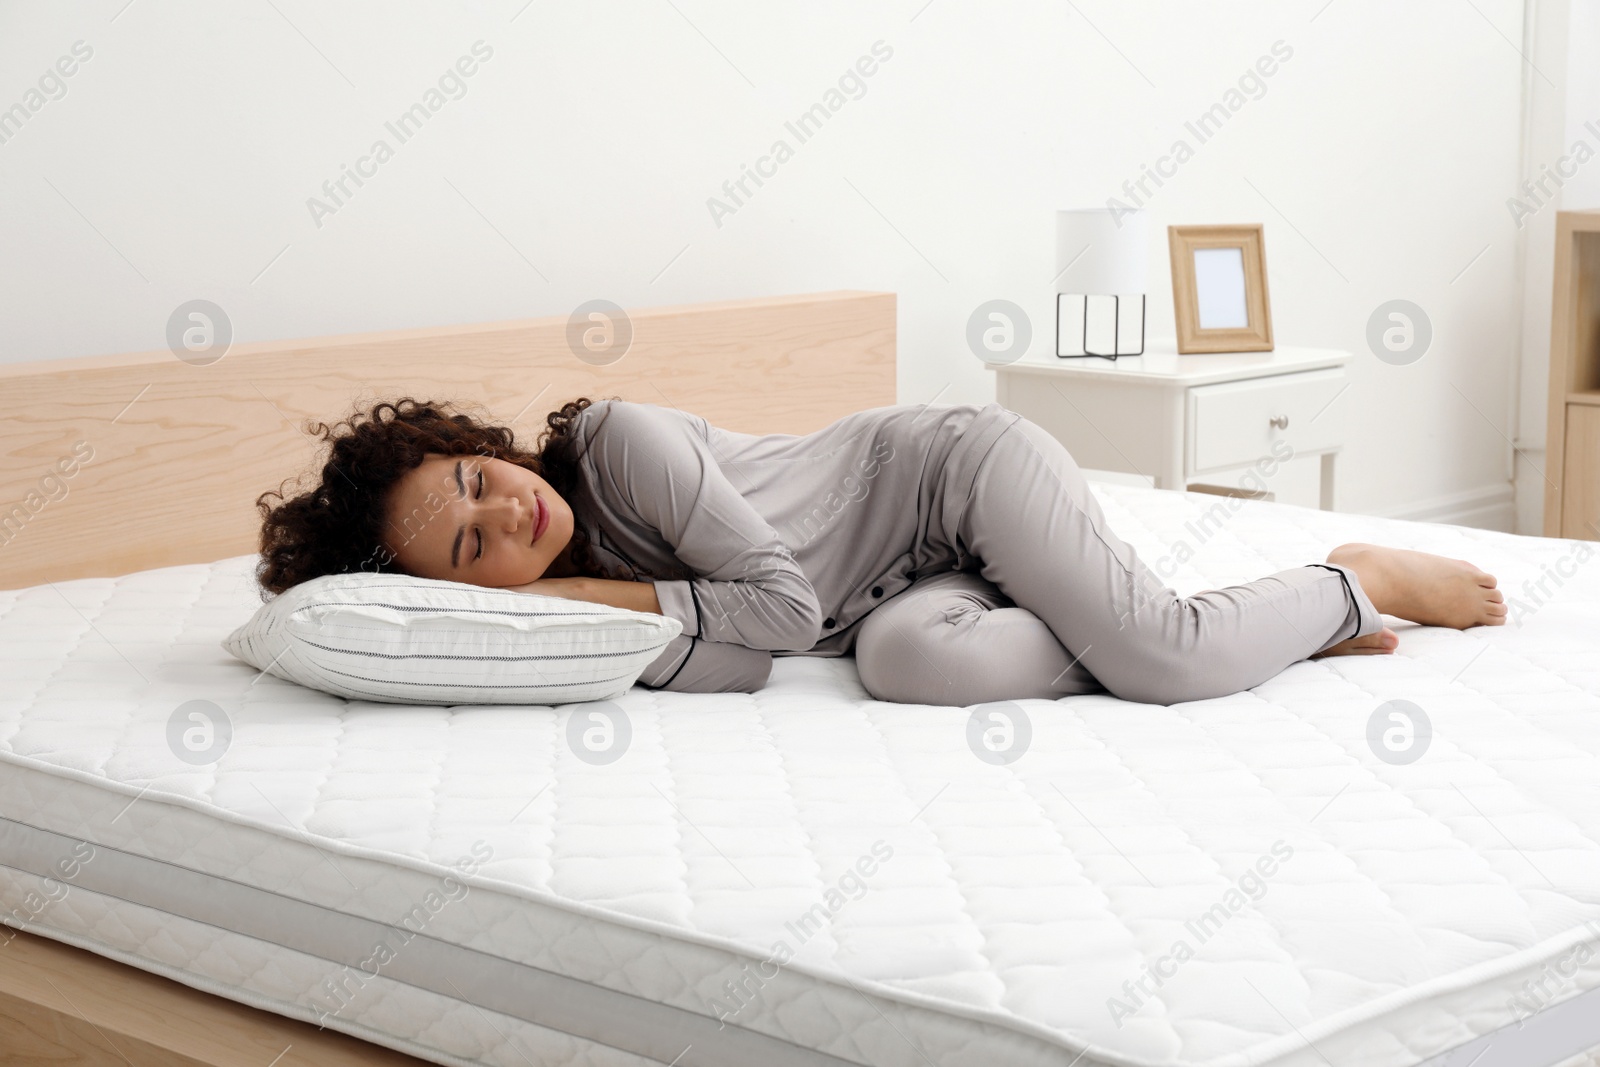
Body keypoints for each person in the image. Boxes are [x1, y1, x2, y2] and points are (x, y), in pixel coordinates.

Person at [255, 396, 1506, 706]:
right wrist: (604, 613)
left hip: (952, 474)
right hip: (902, 592)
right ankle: (1111, 614)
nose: (508, 511)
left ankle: (1346, 579)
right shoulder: (574, 616)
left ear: (488, 442)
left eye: (480, 477)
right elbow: (742, 664)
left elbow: (781, 612)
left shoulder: (620, 442)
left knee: (1160, 662)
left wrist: (591, 587)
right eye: (475, 547)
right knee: (913, 666)